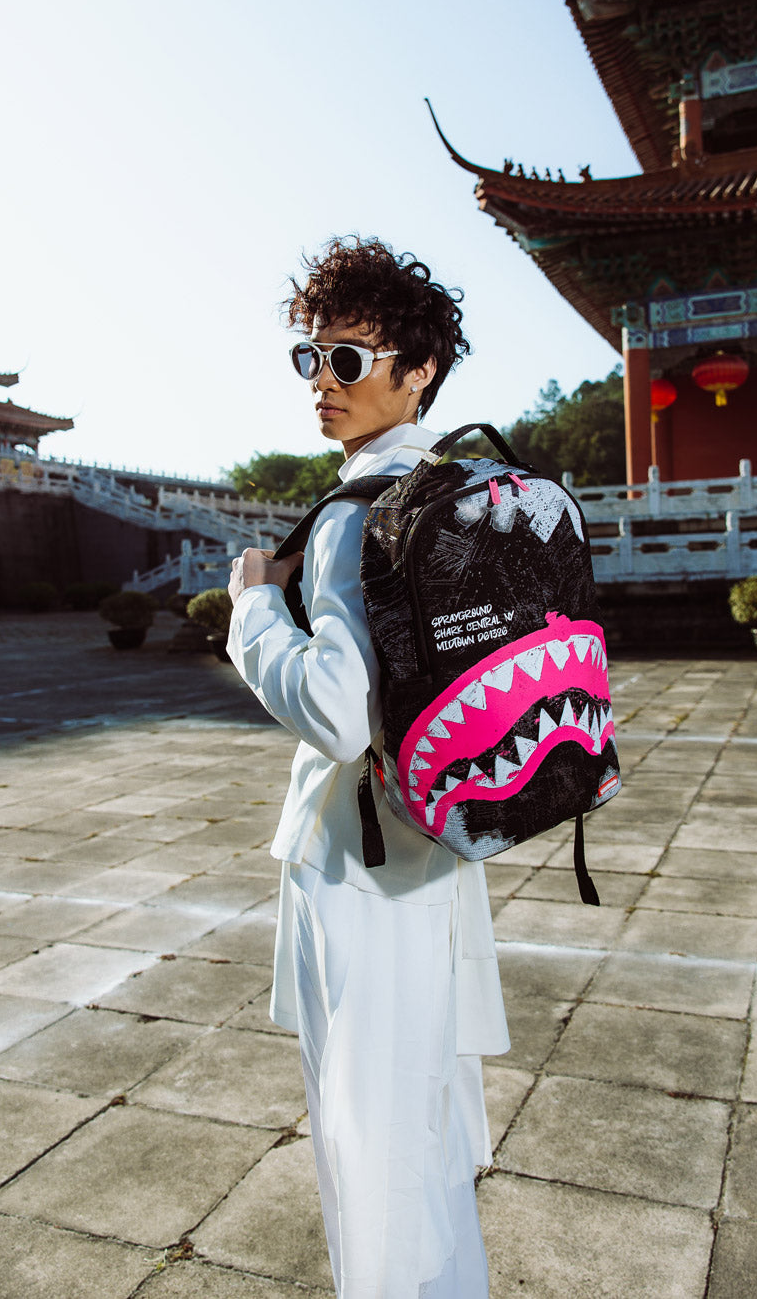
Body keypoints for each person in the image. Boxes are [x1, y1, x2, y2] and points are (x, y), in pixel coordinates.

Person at [226, 235, 509, 1299]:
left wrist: (255, 609)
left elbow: (337, 716)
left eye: (349, 359)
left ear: (419, 370)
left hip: (358, 859)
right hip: (433, 846)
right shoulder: (455, 492)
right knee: (419, 1125)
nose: (323, 382)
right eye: (312, 358)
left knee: (367, 1142)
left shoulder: (359, 516)